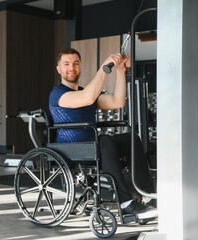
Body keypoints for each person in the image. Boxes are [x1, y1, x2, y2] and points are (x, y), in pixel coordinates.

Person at [49, 48, 157, 219]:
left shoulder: (86, 91)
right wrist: (104, 67)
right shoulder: (58, 93)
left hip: (92, 145)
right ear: (59, 69)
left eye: (76, 63)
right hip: (70, 148)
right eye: (67, 64)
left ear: (80, 67)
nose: (72, 67)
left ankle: (147, 194)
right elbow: (87, 98)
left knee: (130, 138)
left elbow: (117, 102)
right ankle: (125, 202)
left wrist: (120, 71)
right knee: (105, 140)